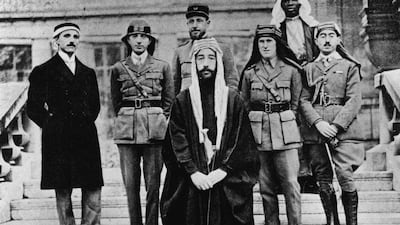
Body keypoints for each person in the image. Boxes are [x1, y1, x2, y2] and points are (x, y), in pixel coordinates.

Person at [160, 38, 259, 225]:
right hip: (192, 178)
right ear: (194, 63)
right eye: (200, 58)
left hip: (226, 178)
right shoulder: (183, 101)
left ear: (219, 63)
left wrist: (221, 171)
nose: (205, 64)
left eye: (211, 58)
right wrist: (193, 172)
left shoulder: (233, 100)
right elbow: (176, 141)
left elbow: (242, 142)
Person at [27, 22, 103, 225]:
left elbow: (95, 106)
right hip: (58, 139)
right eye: (66, 36)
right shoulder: (43, 71)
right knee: (63, 190)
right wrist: (52, 125)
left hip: (85, 137)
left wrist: (84, 122)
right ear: (56, 41)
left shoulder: (88, 72)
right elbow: (33, 107)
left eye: (75, 37)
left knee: (93, 188)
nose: (71, 40)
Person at [299, 22, 364, 225]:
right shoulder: (308, 68)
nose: (327, 39)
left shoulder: (349, 67)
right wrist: (318, 123)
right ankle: (331, 221)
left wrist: (335, 126)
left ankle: (351, 222)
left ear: (338, 39)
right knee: (322, 176)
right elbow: (303, 99)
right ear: (316, 41)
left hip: (342, 131)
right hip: (315, 131)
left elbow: (354, 100)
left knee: (345, 174)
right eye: (322, 36)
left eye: (331, 35)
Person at [110, 19, 174, 225]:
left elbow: (169, 100)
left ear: (149, 40)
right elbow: (116, 102)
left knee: (153, 184)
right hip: (127, 131)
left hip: (154, 130)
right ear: (128, 40)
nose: (139, 41)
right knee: (130, 185)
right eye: (134, 36)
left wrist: (159, 118)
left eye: (143, 37)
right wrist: (128, 117)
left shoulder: (162, 67)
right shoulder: (118, 68)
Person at [240, 25, 303, 225]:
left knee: (291, 184)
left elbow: (296, 104)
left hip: (286, 133)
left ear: (277, 44)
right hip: (258, 134)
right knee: (265, 187)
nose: (265, 45)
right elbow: (245, 104)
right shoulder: (250, 73)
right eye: (261, 41)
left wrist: (286, 120)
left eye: (269, 41)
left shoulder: (292, 70)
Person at [172, 3, 239, 95]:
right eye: (191, 21)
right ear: (187, 24)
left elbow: (232, 84)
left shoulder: (222, 49)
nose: (195, 25)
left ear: (208, 23)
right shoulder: (180, 52)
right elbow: (174, 87)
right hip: (188, 105)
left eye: (199, 20)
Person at [271, 0, 319, 65]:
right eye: (286, 1)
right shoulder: (277, 28)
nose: (290, 3)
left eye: (294, 0)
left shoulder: (311, 25)